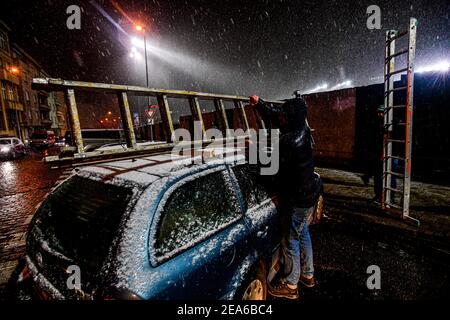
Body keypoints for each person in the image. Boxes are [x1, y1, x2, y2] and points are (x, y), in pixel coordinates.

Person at [249, 92, 322, 300]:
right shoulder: (303, 129)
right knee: (303, 233)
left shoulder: (290, 141)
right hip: (308, 195)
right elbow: (275, 114)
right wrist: (259, 103)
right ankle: (308, 275)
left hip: (296, 200)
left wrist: (255, 151)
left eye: (284, 114)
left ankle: (291, 286)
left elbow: (272, 171)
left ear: (290, 117)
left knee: (290, 241)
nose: (280, 117)